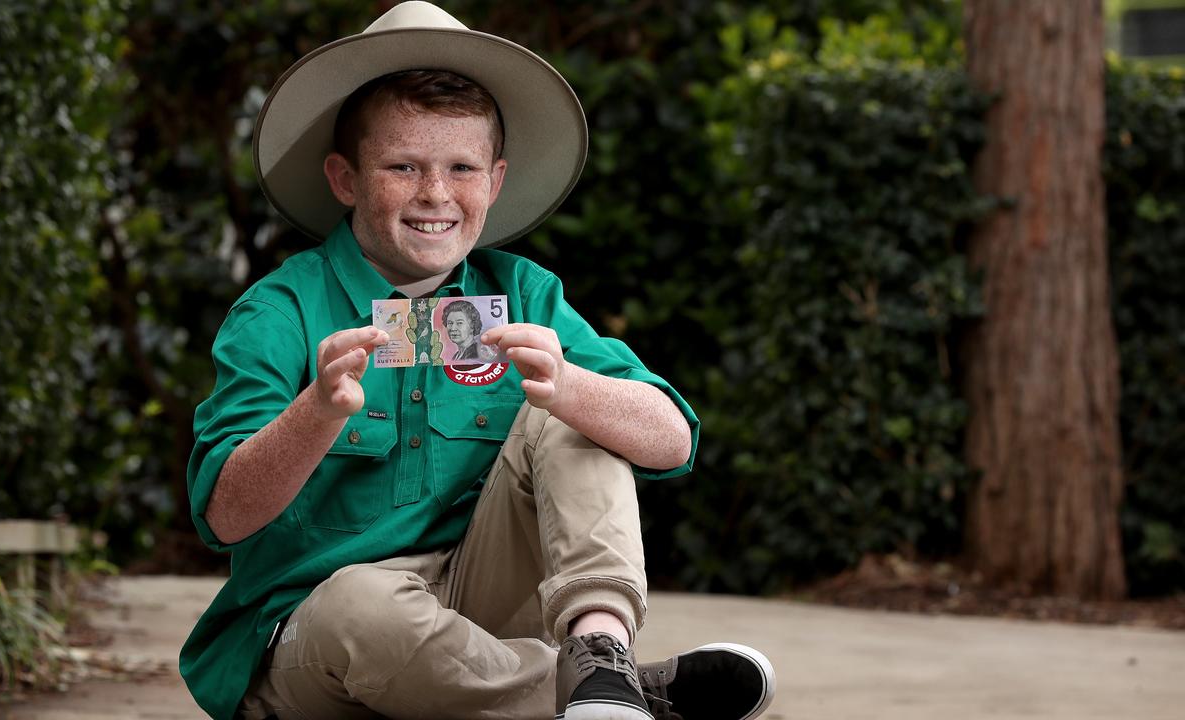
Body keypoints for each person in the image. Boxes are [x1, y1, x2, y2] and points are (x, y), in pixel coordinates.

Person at [181, 3, 774, 719]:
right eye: (402, 166)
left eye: (461, 168)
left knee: (576, 413)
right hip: (318, 641)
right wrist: (315, 413)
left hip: (476, 618)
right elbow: (225, 516)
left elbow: (670, 438)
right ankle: (616, 697)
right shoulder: (278, 313)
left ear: (493, 182)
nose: (435, 194)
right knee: (362, 604)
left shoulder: (522, 291)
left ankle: (602, 653)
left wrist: (569, 387)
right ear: (346, 178)